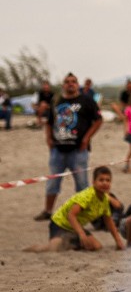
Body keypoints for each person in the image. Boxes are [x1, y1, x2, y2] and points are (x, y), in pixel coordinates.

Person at [33, 73, 103, 222]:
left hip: (78, 151)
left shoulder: (86, 100)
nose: (70, 84)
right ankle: (47, 211)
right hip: (58, 151)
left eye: (73, 82)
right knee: (52, 182)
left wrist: (86, 138)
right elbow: (50, 122)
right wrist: (48, 138)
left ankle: (88, 213)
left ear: (77, 84)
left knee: (82, 184)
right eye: (67, 82)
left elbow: (98, 120)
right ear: (62, 85)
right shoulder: (57, 100)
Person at [43, 166, 125, 252]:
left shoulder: (105, 199)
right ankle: (63, 242)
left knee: (97, 246)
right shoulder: (87, 196)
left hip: (74, 227)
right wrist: (81, 234)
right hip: (59, 223)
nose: (105, 183)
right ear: (93, 182)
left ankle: (70, 242)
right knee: (53, 248)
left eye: (108, 180)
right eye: (101, 180)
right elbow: (71, 215)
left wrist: (118, 241)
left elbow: (109, 221)